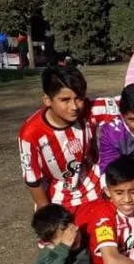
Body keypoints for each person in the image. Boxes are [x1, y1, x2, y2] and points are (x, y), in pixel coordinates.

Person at [18, 66, 118, 212]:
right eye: (65, 100)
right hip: (57, 201)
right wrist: (47, 212)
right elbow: (33, 179)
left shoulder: (89, 110)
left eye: (79, 98)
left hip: (95, 192)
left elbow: (131, 104)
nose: (74, 106)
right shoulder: (30, 133)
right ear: (47, 99)